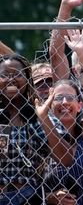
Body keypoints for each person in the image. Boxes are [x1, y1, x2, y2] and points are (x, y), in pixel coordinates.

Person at [38, 79, 83, 205]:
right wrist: (50, 197)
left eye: (70, 97)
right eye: (59, 98)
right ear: (49, 105)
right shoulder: (39, 136)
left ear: (79, 106)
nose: (65, 102)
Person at [0, 53, 49, 205]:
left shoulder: (36, 115)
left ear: (28, 80)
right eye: (4, 75)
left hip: (27, 196)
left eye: (17, 74)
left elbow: (61, 156)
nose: (11, 79)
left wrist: (43, 118)